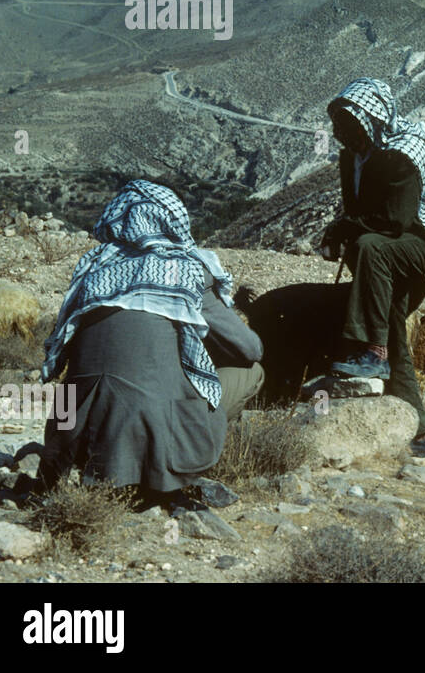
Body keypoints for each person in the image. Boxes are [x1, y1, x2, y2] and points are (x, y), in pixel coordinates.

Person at [39, 180, 263, 501]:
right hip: (148, 427)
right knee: (251, 370)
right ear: (174, 218)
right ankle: (180, 452)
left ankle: (87, 460)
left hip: (69, 430)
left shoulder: (91, 268)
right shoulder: (187, 269)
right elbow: (249, 348)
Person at [320, 77, 425, 457]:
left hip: (417, 247)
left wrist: (347, 229)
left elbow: (395, 220)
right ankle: (420, 427)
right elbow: (357, 210)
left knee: (371, 248)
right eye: (339, 125)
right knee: (395, 325)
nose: (341, 134)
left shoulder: (404, 154)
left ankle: (372, 353)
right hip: (379, 250)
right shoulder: (352, 156)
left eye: (349, 125)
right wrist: (342, 230)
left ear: (372, 120)